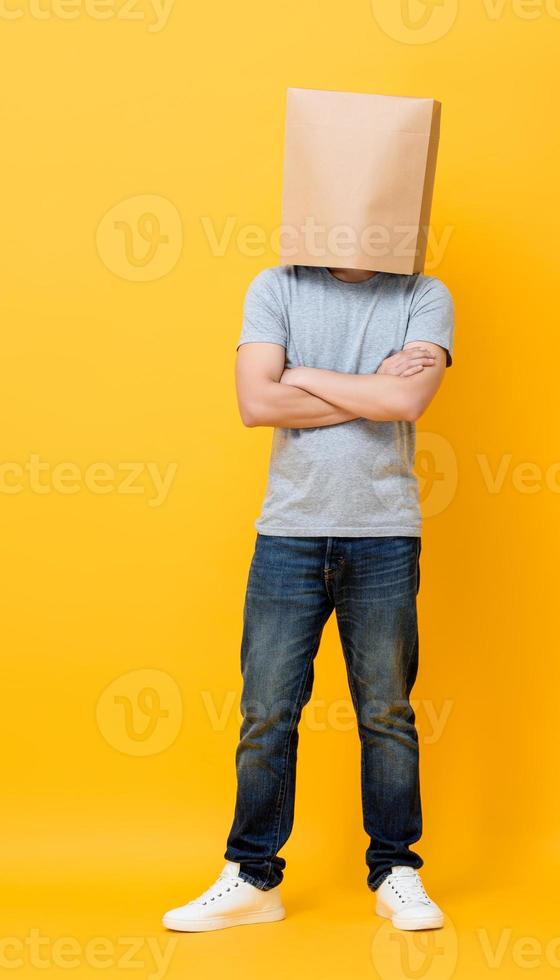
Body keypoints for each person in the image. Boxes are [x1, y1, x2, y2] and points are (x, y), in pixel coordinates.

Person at [163, 262, 454, 933]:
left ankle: (396, 871)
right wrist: (372, 385)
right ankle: (253, 878)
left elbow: (408, 403)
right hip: (288, 532)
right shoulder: (275, 286)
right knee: (266, 709)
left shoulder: (422, 293)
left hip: (384, 530)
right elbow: (255, 405)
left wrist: (302, 374)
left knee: (387, 710)